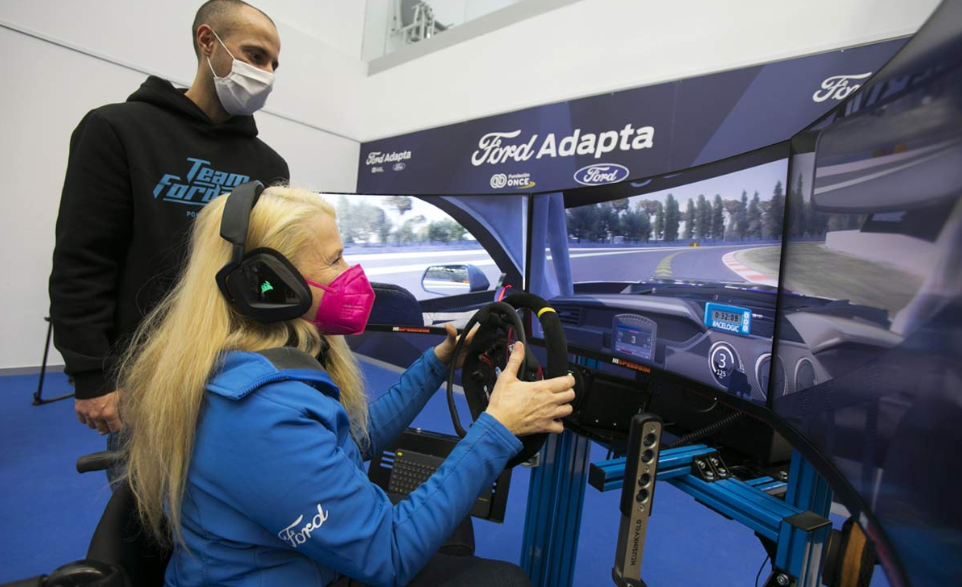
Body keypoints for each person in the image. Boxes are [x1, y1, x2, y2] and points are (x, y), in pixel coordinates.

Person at [118, 186, 576, 587]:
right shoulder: (258, 412)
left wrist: (439, 364)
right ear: (272, 284)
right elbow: (388, 556)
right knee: (505, 579)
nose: (351, 271)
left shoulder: (253, 363)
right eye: (335, 259)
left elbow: (354, 441)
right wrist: (498, 427)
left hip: (298, 563)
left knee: (455, 532)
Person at [49, 0, 288, 438]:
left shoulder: (269, 164)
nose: (266, 73)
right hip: (139, 373)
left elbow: (261, 269)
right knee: (141, 502)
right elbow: (83, 261)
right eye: (255, 56)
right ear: (207, 42)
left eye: (273, 63)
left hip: (232, 369)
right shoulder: (117, 130)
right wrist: (91, 375)